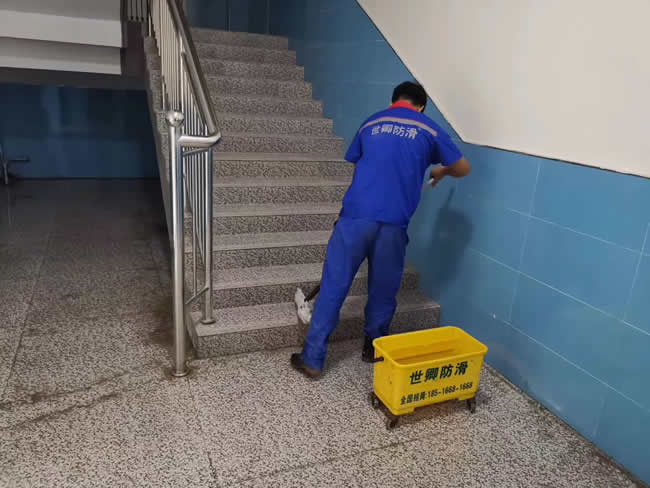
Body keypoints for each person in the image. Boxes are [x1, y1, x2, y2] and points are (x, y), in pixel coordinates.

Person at [291, 81, 471, 378]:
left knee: (334, 285)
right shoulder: (428, 128)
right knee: (384, 290)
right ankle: (374, 348)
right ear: (421, 107)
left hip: (355, 218)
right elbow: (463, 168)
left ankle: (313, 358)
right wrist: (442, 170)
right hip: (393, 224)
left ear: (392, 102)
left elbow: (360, 167)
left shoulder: (370, 123)